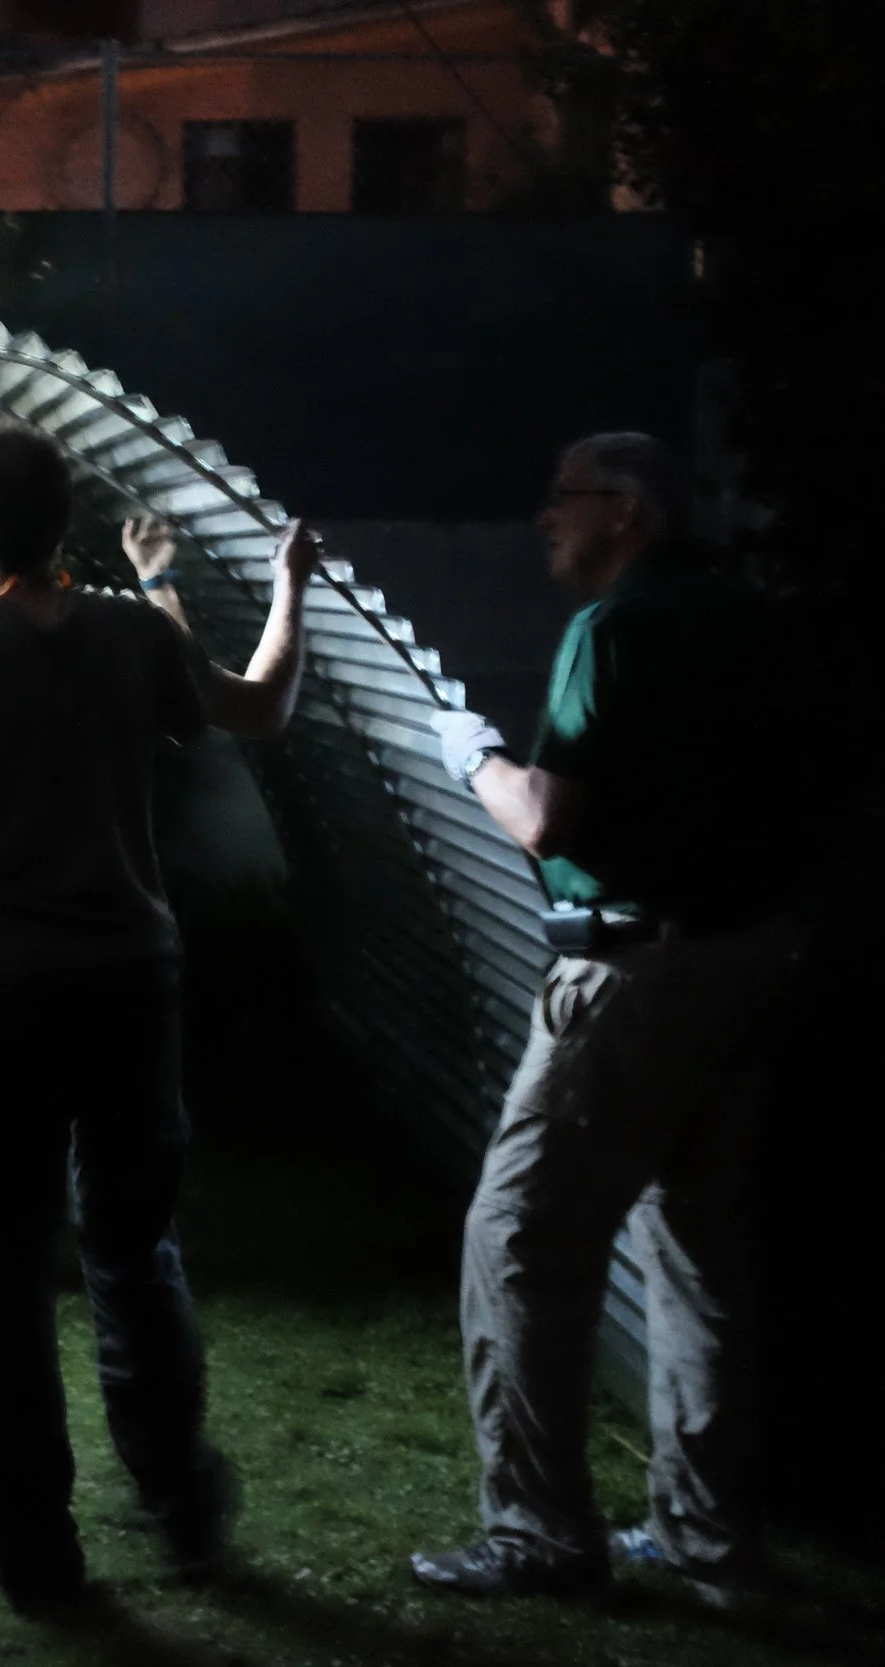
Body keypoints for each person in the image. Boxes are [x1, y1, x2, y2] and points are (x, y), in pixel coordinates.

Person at [0, 419, 320, 1607]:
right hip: (134, 979)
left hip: (6, 994)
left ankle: (32, 1545)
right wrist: (287, 589)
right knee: (131, 1246)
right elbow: (261, 707)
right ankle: (180, 1506)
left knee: (0, 1264)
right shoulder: (132, 633)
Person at [410, 434, 803, 1606]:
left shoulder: (614, 629)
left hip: (635, 971)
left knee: (517, 1233)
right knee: (698, 1251)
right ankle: (705, 1540)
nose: (543, 519)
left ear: (626, 510)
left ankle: (538, 1532)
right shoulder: (745, 616)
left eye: (561, 498)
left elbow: (544, 818)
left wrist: (471, 753)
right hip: (747, 958)